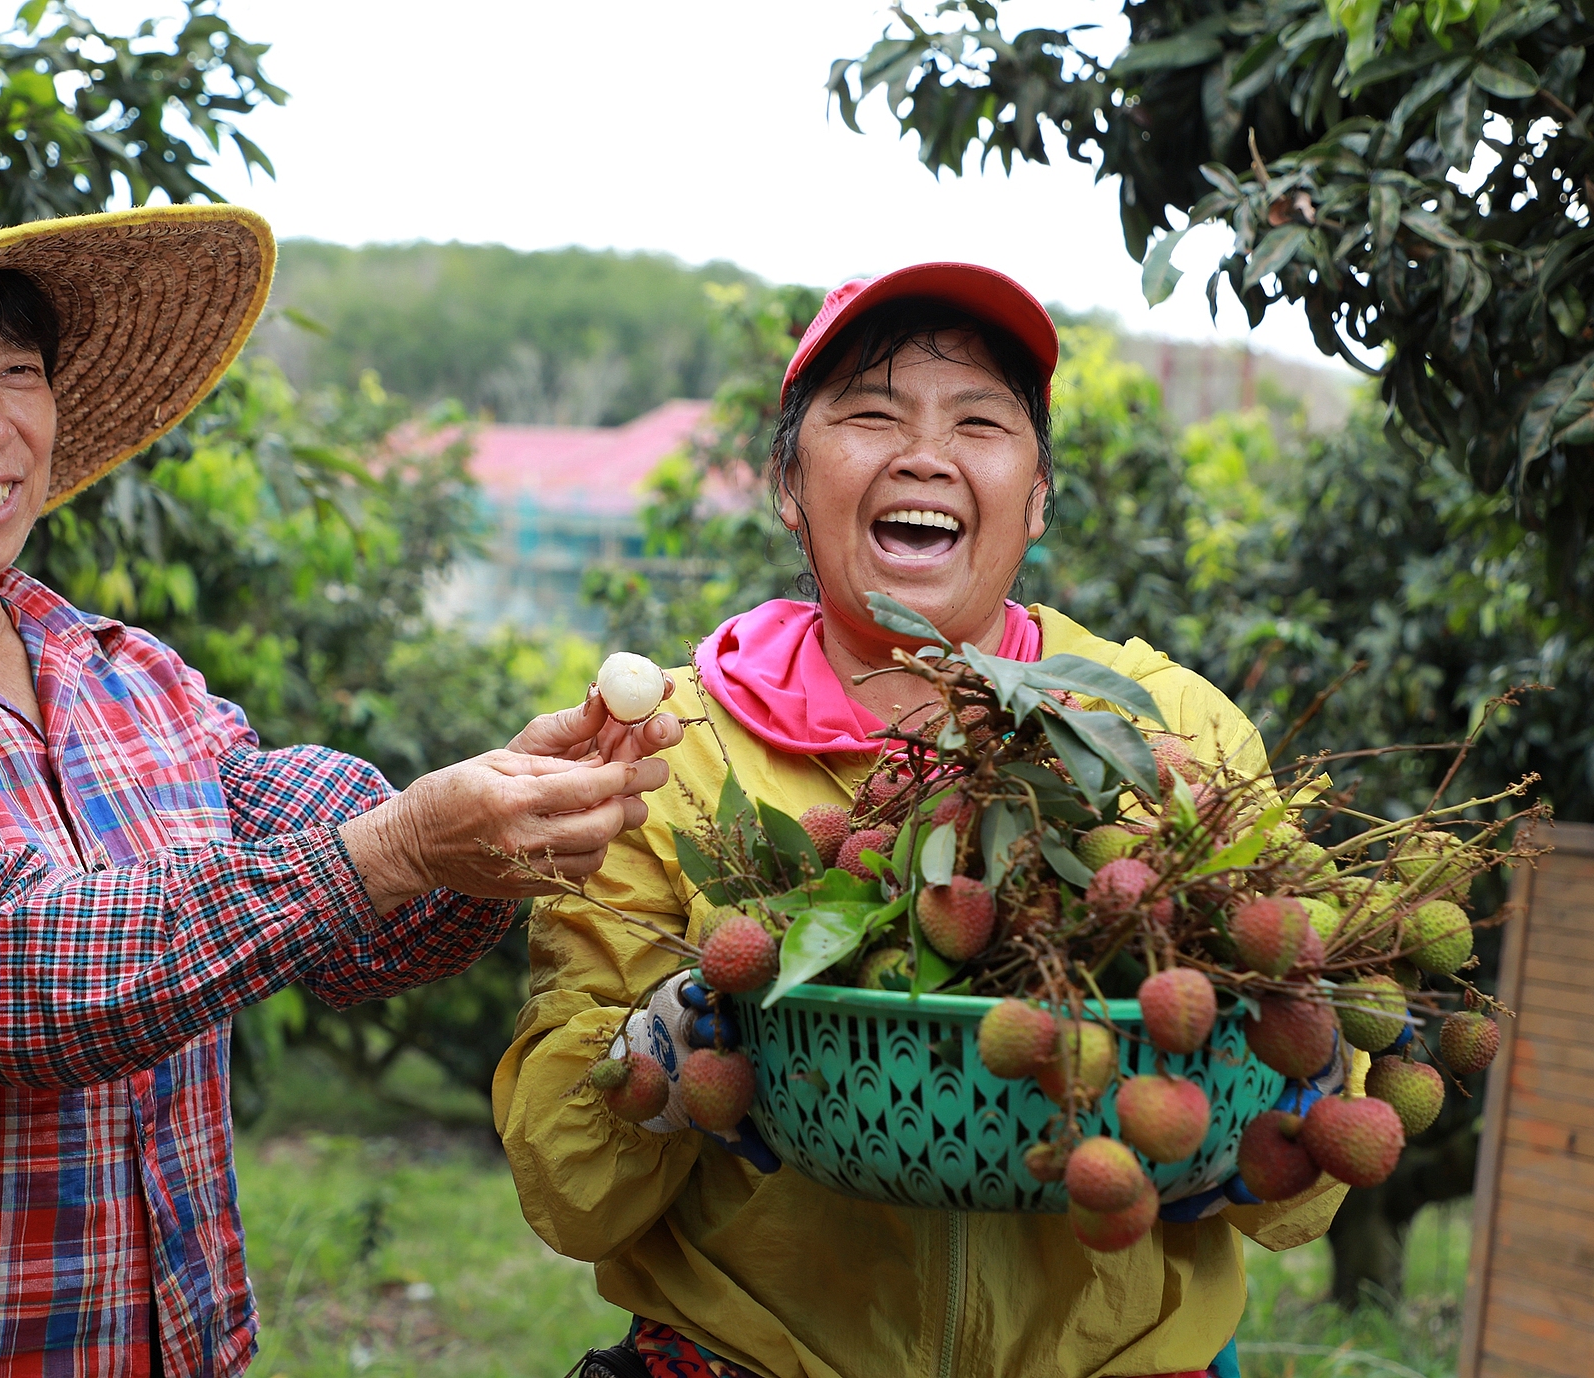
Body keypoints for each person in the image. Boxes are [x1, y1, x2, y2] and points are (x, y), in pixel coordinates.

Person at [0, 159, 681, 1373]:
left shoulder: (128, 673)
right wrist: (400, 847)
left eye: (17, 373)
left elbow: (359, 922)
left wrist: (510, 808)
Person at [495, 264, 1362, 1378]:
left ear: (1037, 495)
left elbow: (1303, 1186)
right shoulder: (664, 749)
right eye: (869, 414)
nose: (923, 453)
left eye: (978, 421)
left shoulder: (1162, 728)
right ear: (787, 486)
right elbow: (571, 1194)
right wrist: (668, 1039)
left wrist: (1279, 1092)